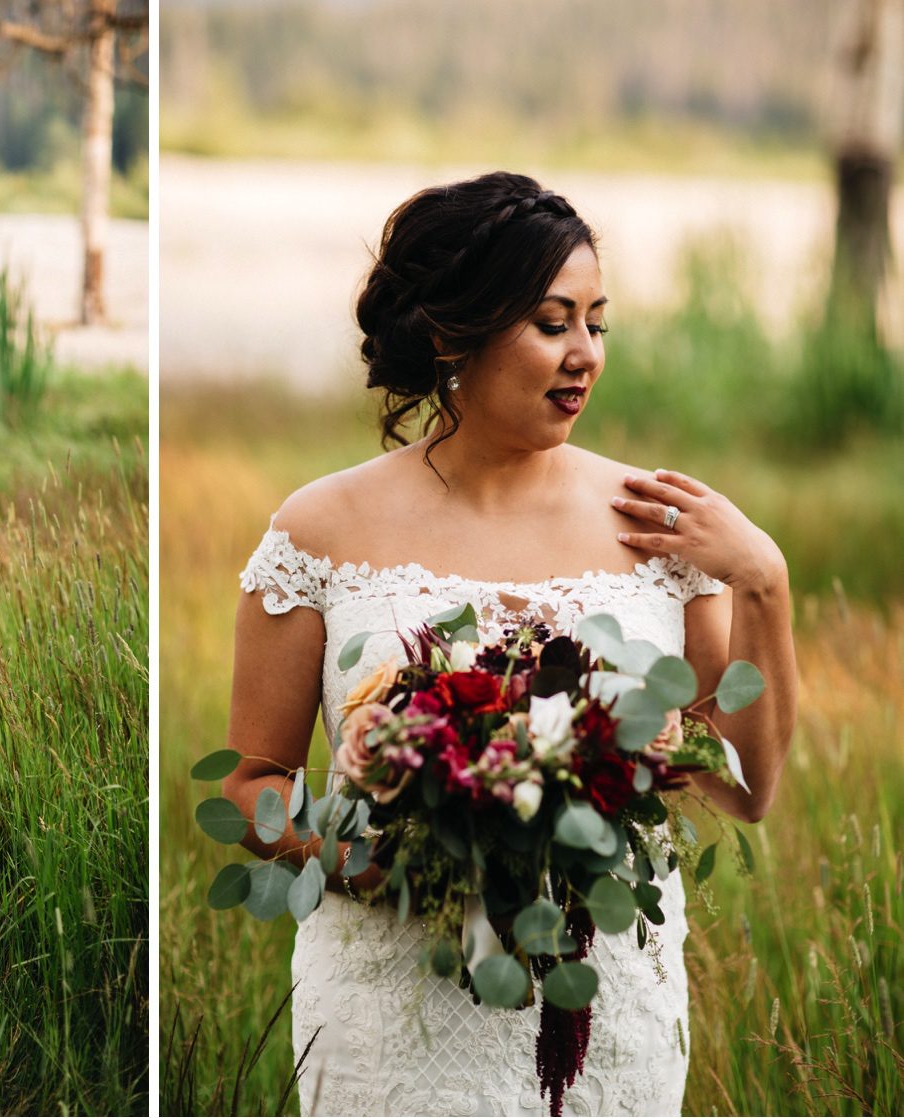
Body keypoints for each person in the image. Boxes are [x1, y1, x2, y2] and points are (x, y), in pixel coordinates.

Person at [224, 173, 798, 1116]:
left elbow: (746, 788)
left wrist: (762, 578)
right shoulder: (319, 527)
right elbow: (252, 784)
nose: (585, 356)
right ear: (456, 334)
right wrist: (370, 861)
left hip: (607, 1007)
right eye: (552, 322)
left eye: (597, 324)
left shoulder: (660, 526)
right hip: (390, 1007)